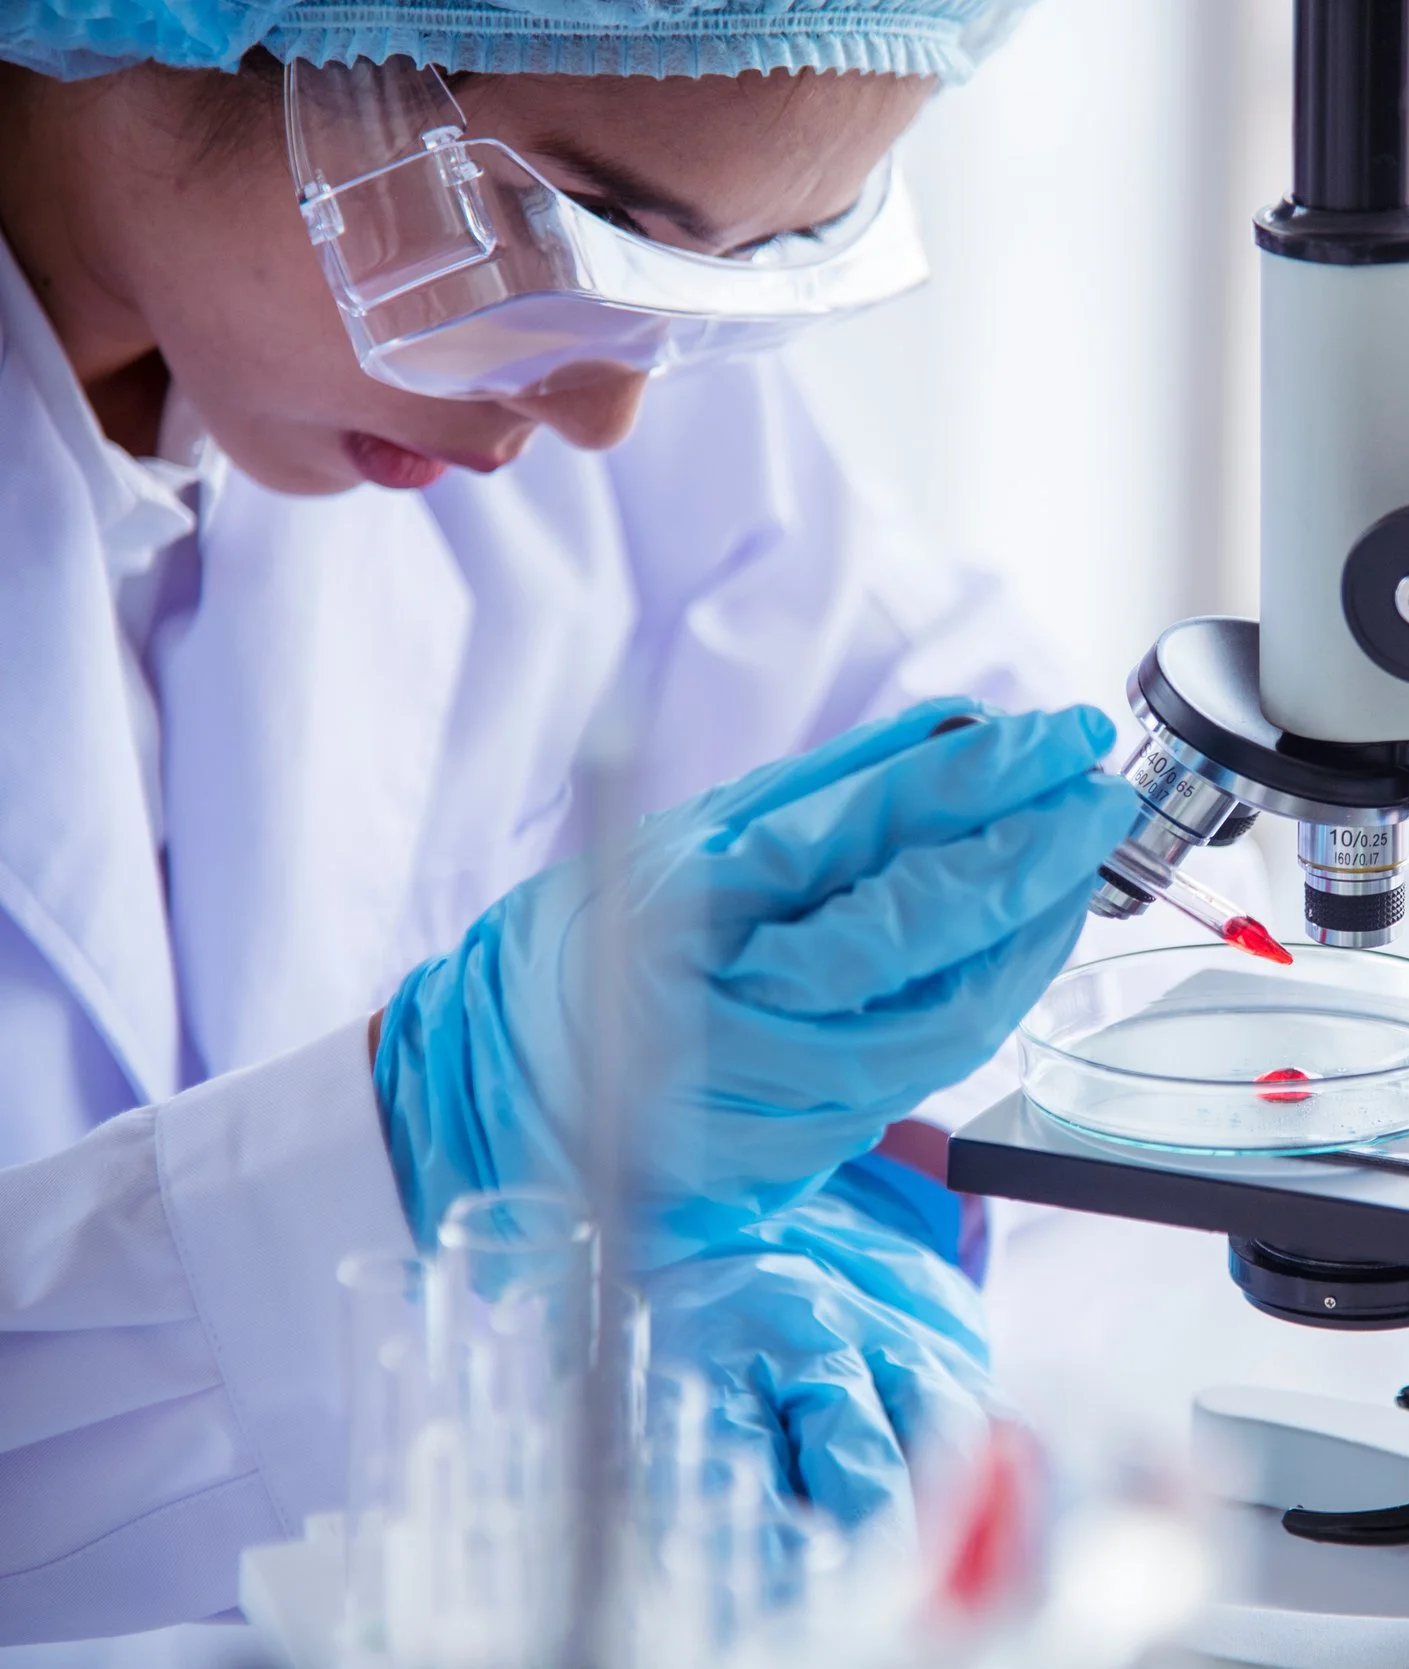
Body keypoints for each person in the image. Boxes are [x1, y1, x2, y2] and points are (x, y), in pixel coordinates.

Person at [0, 0, 1139, 1642]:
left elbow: (921, 736)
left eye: (748, 268)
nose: (609, 410)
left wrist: (859, 1182)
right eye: (573, 223)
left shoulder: (559, 358)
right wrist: (417, 1158)